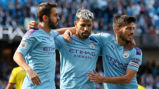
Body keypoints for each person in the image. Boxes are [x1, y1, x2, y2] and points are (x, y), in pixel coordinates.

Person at [28, 8, 101, 89]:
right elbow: (43, 38)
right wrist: (33, 30)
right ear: (76, 24)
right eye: (83, 25)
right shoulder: (65, 39)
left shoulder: (97, 43)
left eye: (89, 25)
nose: (86, 29)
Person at [13, 2, 61, 89]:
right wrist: (29, 70)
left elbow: (64, 30)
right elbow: (17, 55)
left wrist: (69, 31)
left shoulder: (51, 34)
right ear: (45, 18)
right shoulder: (32, 33)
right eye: (55, 15)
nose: (58, 18)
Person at [87, 14, 142, 89]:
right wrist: (66, 32)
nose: (132, 32)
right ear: (117, 30)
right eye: (128, 28)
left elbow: (127, 78)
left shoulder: (136, 51)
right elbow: (83, 33)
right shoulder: (106, 40)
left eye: (133, 28)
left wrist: (102, 79)